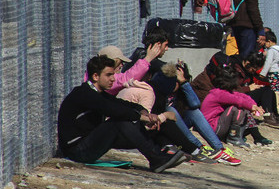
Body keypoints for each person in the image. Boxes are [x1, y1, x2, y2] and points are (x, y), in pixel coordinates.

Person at [57, 55, 189, 173]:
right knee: (120, 122)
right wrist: (142, 118)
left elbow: (121, 103)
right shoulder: (84, 94)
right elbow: (114, 110)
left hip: (88, 144)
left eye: (113, 74)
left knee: (145, 125)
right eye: (108, 75)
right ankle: (156, 158)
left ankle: (169, 153)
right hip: (77, 151)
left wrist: (143, 111)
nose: (113, 79)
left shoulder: (98, 93)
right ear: (96, 76)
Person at [201, 68, 269, 146]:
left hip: (214, 126)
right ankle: (233, 137)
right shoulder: (219, 94)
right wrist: (252, 107)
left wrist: (254, 106)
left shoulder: (220, 92)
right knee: (237, 108)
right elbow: (239, 101)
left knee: (242, 105)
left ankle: (237, 136)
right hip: (211, 128)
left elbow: (243, 96)